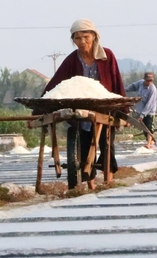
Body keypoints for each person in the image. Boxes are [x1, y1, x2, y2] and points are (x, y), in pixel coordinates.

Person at [38, 19, 126, 190]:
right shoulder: (72, 60)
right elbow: (55, 84)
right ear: (73, 40)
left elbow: (117, 82)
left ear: (94, 36)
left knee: (107, 146)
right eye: (77, 38)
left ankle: (109, 181)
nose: (82, 41)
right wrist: (40, 109)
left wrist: (123, 110)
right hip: (80, 107)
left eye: (86, 36)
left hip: (104, 107)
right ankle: (90, 184)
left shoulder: (107, 56)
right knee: (84, 147)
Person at [125, 72, 157, 148]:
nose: (149, 82)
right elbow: (132, 87)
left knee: (149, 127)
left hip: (149, 111)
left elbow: (149, 104)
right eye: (147, 81)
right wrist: (125, 90)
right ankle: (150, 142)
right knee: (144, 128)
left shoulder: (153, 90)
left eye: (150, 81)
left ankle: (149, 144)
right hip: (140, 109)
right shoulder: (140, 83)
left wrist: (143, 115)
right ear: (144, 79)